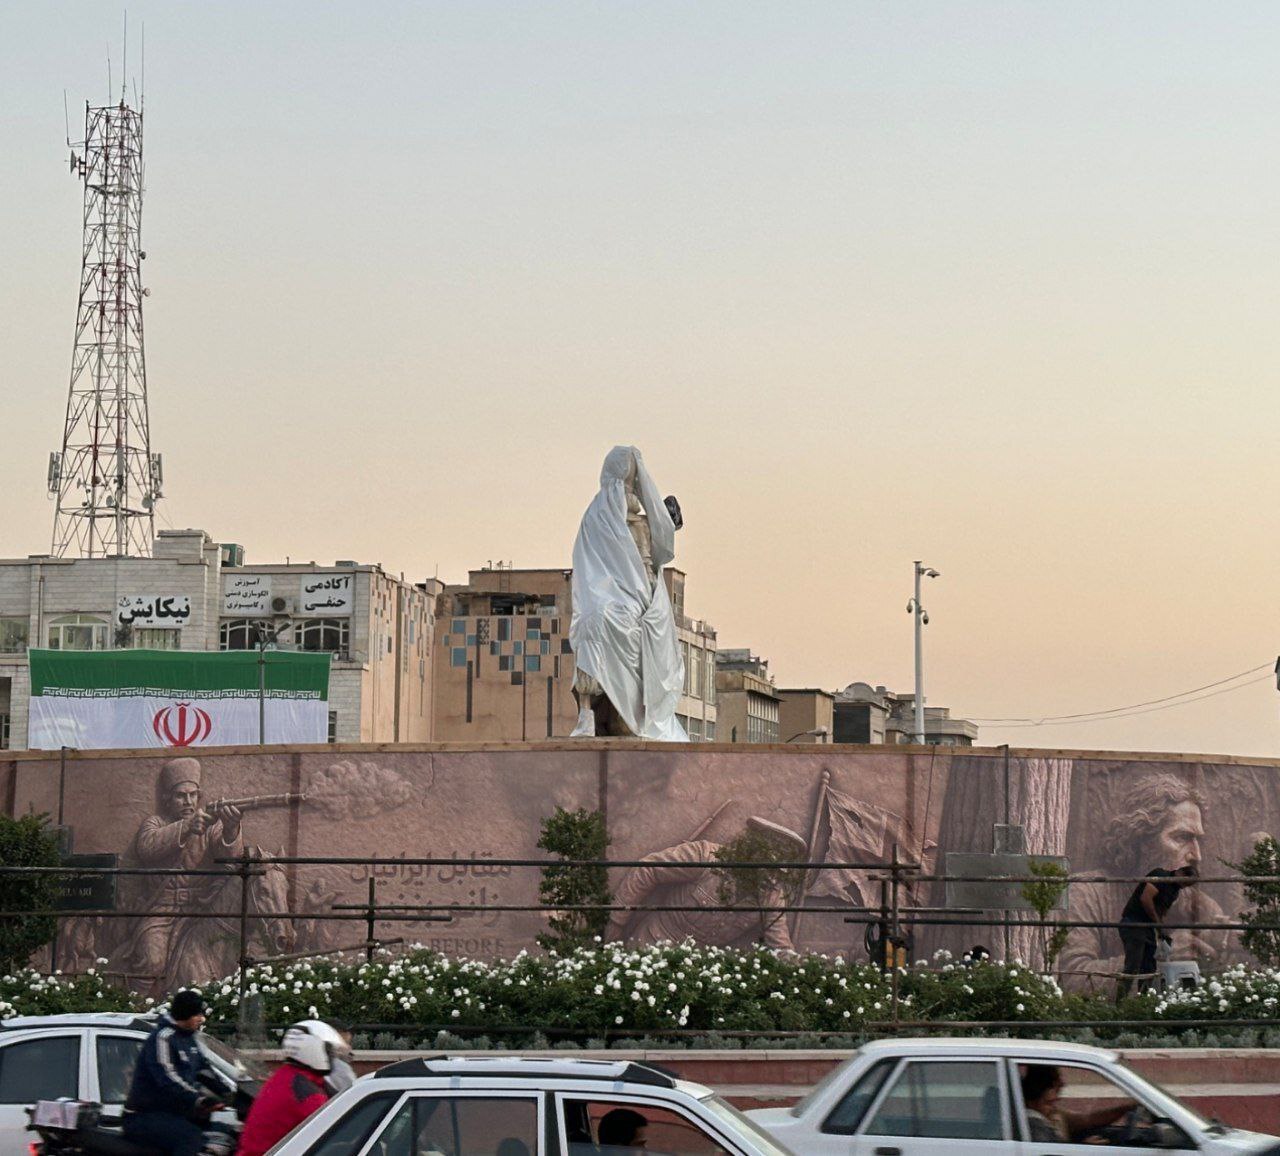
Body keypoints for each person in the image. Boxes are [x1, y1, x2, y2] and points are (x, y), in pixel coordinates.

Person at [1059, 773, 1229, 992]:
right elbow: (1072, 982)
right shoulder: (1086, 894)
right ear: (1141, 839)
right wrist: (1161, 955)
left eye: (1198, 840)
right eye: (1181, 838)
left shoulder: (1203, 907)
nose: (1197, 855)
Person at [569, 446, 686, 740]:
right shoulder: (596, 517)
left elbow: (656, 557)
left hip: (639, 598)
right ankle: (586, 712)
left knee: (620, 621)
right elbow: (587, 565)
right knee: (593, 621)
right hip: (604, 594)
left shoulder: (642, 522)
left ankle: (635, 712)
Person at [606, 818, 806, 952]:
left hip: (696, 972)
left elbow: (779, 943)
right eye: (767, 863)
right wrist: (616, 921)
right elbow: (647, 870)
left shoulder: (771, 895)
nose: (771, 876)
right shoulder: (706, 856)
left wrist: (793, 966)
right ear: (752, 851)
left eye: (777, 869)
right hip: (650, 945)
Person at [128, 758, 245, 989]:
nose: (188, 801)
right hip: (163, 911)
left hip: (203, 910)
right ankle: (139, 1007)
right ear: (168, 800)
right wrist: (187, 826)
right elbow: (147, 848)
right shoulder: (155, 823)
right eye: (181, 796)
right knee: (152, 959)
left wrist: (231, 828)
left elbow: (232, 859)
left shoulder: (211, 827)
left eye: (193, 795)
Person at [123, 990, 223, 1156]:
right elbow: (168, 1078)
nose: (201, 1019)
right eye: (197, 1014)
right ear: (185, 1014)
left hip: (171, 1113)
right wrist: (200, 1099)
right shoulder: (163, 1038)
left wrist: (226, 1091)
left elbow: (203, 1069)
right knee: (190, 1138)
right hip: (144, 1115)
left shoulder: (188, 1038)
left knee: (223, 1132)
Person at [236, 1021, 353, 1156]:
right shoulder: (306, 1093)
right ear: (314, 1049)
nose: (332, 1057)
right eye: (329, 1051)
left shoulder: (288, 1076)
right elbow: (335, 1130)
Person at [1116, 864, 1199, 1000]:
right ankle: (1120, 1002)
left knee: (1149, 966)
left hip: (1147, 927)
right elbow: (1146, 899)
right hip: (1134, 922)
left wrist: (1161, 931)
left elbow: (1161, 911)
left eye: (1187, 885)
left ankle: (1144, 1002)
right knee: (1133, 965)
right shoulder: (1160, 875)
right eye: (1185, 882)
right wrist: (1158, 925)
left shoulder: (1174, 891)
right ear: (1179, 872)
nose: (1184, 886)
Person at [1020, 1065, 1130, 1144]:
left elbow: (1087, 1120)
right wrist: (1085, 1148)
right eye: (1055, 1082)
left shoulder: (1053, 1113)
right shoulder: (1033, 1123)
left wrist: (1127, 1107)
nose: (1062, 1084)